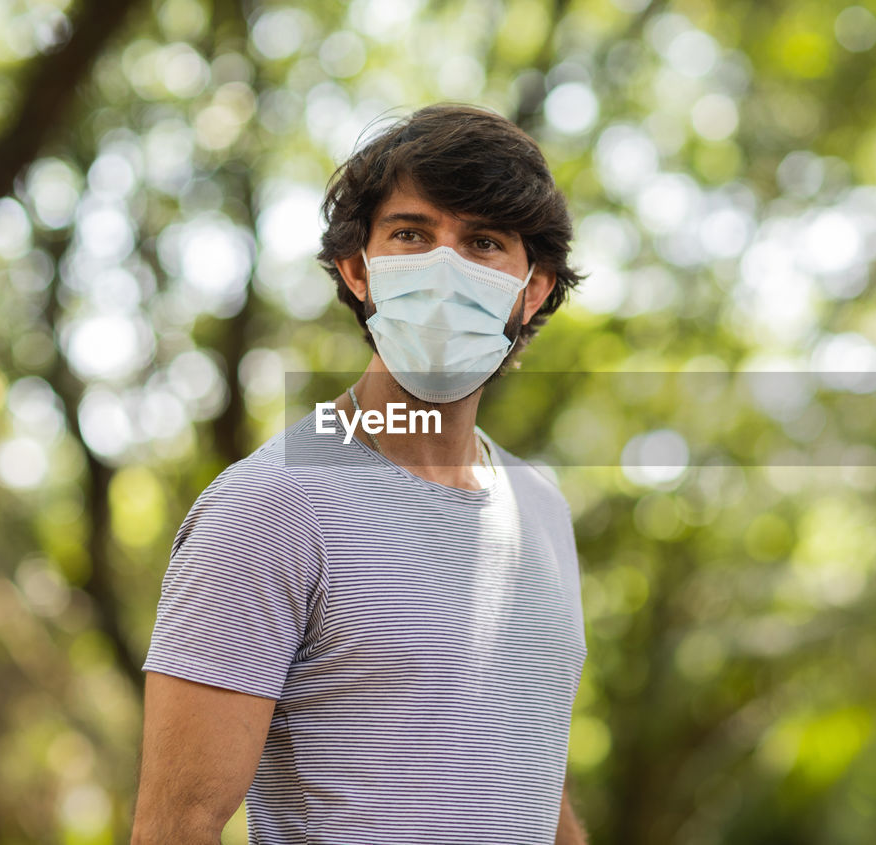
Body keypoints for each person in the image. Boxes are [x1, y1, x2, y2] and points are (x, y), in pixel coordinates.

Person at [131, 104, 589, 844]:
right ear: (357, 267)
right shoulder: (273, 506)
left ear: (531, 290)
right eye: (412, 234)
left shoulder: (540, 509)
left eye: (483, 241)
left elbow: (528, 770)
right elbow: (174, 827)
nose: (446, 267)